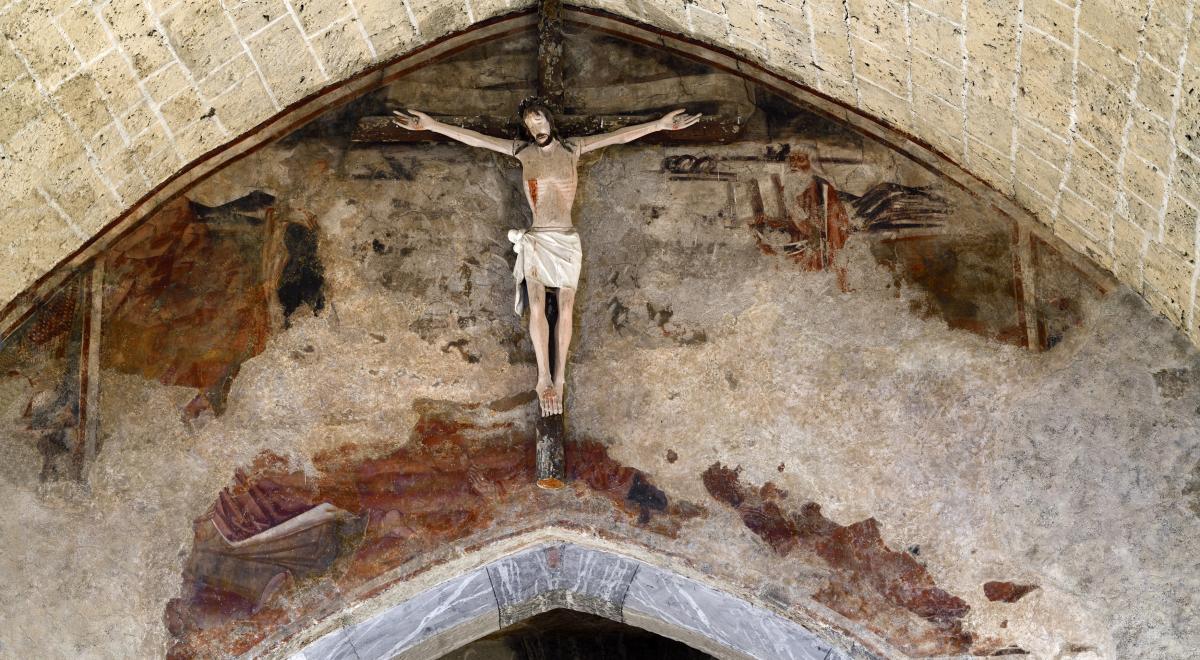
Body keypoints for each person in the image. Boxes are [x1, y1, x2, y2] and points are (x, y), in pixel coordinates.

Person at [392, 99, 701, 416]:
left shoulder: (573, 149)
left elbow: (619, 136)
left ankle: (561, 379)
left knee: (566, 307)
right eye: (529, 123)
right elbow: (476, 138)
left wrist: (659, 125)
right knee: (537, 305)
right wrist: (432, 125)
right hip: (538, 238)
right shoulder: (522, 152)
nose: (534, 126)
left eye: (538, 119)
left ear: (549, 121)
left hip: (566, 240)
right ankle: (543, 378)